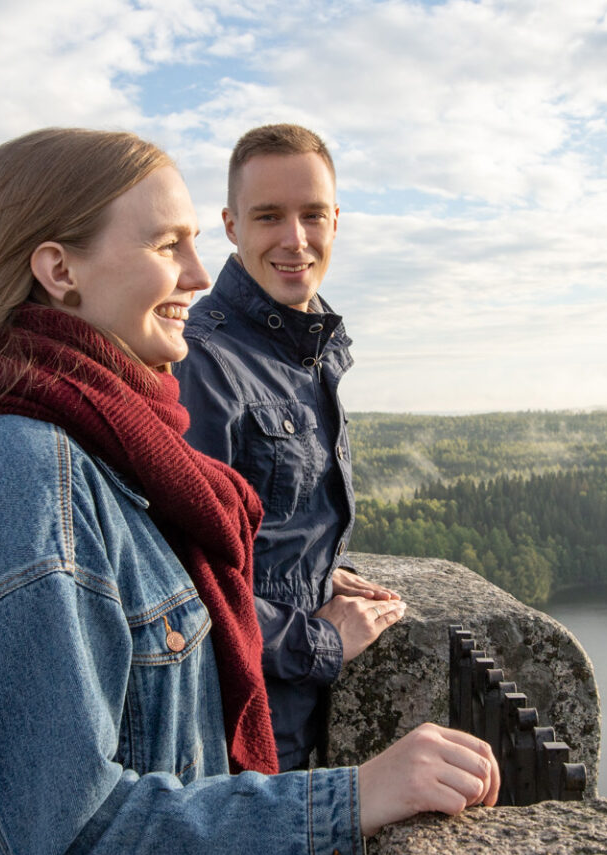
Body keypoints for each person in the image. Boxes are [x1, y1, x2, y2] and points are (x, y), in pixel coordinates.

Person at [0, 127, 500, 855]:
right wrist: (355, 795)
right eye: (169, 245)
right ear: (59, 270)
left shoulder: (101, 451)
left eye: (194, 243)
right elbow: (80, 851)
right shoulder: (19, 483)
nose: (199, 275)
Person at [175, 124, 399, 772]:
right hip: (235, 728)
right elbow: (186, 580)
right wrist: (323, 639)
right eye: (269, 215)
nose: (295, 239)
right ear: (231, 225)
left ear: (336, 222)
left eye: (313, 215)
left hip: (292, 712)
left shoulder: (305, 350)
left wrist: (319, 573)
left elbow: (267, 527)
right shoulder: (205, 361)